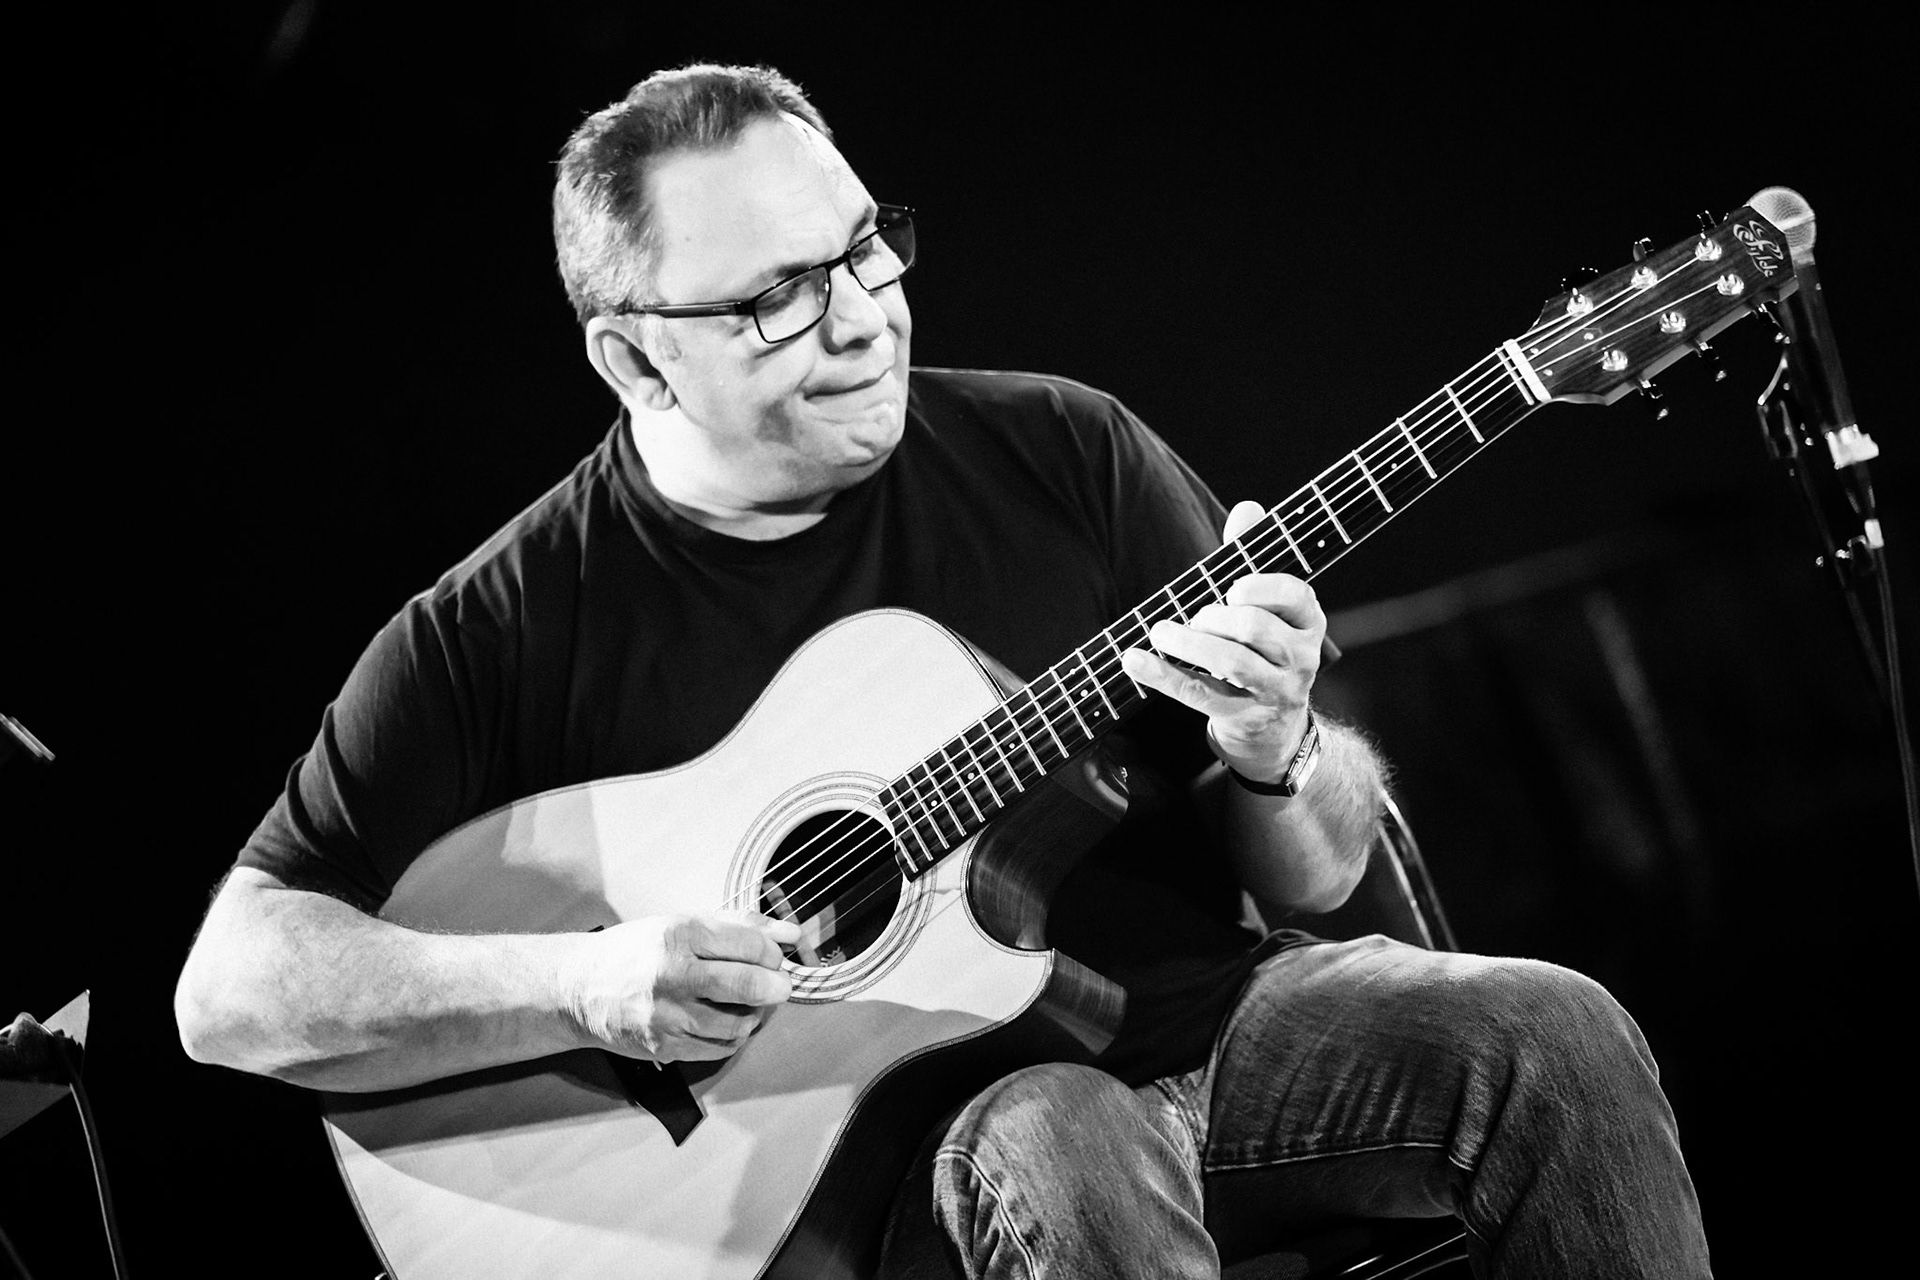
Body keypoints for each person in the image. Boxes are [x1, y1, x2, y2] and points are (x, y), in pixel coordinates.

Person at [173, 63, 1712, 1278]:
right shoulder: (501, 628)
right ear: (636, 358)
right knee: (1063, 1137)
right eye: (779, 297)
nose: (864, 319)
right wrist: (584, 983)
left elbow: (1314, 876)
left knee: (1554, 1033)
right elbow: (228, 991)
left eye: (865, 247)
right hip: (881, 1190)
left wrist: (1283, 748)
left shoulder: (1065, 450)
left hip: (1221, 1045)